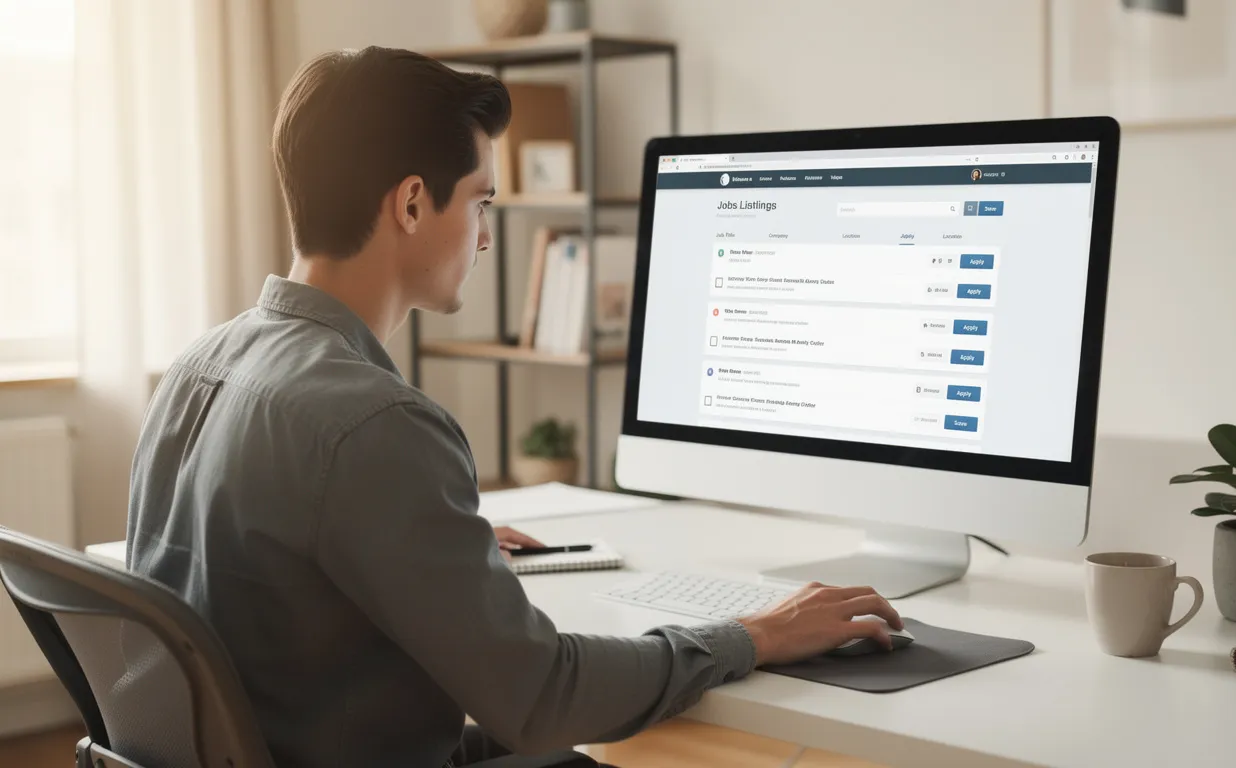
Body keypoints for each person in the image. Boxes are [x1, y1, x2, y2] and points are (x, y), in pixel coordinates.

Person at [125, 46, 903, 768]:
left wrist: (415, 535)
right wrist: (752, 635)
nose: (487, 236)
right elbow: (543, 697)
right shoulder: (376, 424)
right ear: (411, 204)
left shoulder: (200, 364)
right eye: (482, 201)